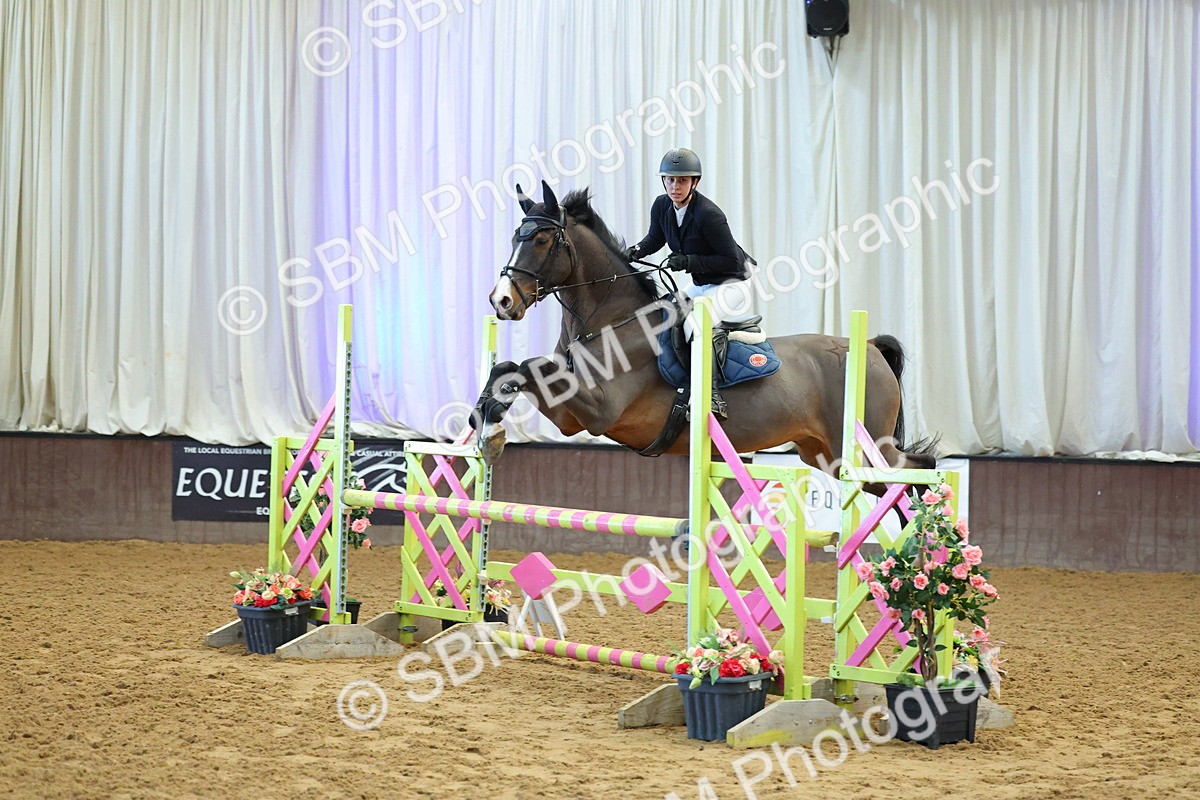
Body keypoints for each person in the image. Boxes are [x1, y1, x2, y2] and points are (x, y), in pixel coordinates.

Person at [625, 147, 757, 417]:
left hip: (732, 283)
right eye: (670, 180)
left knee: (696, 325)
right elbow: (656, 238)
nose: (675, 186)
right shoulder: (662, 205)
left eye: (682, 180)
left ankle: (710, 397)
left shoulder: (710, 215)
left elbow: (731, 260)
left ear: (694, 182)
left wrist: (689, 262)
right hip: (702, 283)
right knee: (665, 313)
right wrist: (636, 251)